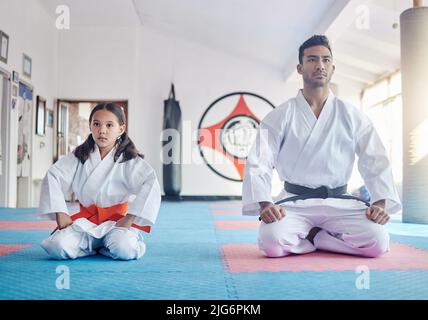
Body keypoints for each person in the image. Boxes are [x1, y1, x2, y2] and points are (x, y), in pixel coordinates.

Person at [242, 35, 401, 258]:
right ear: (299, 67)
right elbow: (260, 161)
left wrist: (380, 204)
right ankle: (321, 237)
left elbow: (375, 159)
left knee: (378, 241)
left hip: (340, 202)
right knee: (271, 242)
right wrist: (266, 204)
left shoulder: (352, 115)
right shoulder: (280, 115)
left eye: (326, 60)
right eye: (312, 60)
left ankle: (318, 238)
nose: (320, 65)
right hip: (294, 202)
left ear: (333, 67)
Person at [39, 103, 161, 260]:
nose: (102, 130)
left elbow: (150, 183)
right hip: (86, 222)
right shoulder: (79, 155)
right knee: (57, 247)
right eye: (96, 124)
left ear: (121, 129)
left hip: (116, 223)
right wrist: (61, 212)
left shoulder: (129, 160)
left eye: (109, 125)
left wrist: (130, 218)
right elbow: (53, 175)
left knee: (125, 249)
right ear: (90, 126)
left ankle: (110, 244)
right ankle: (96, 247)